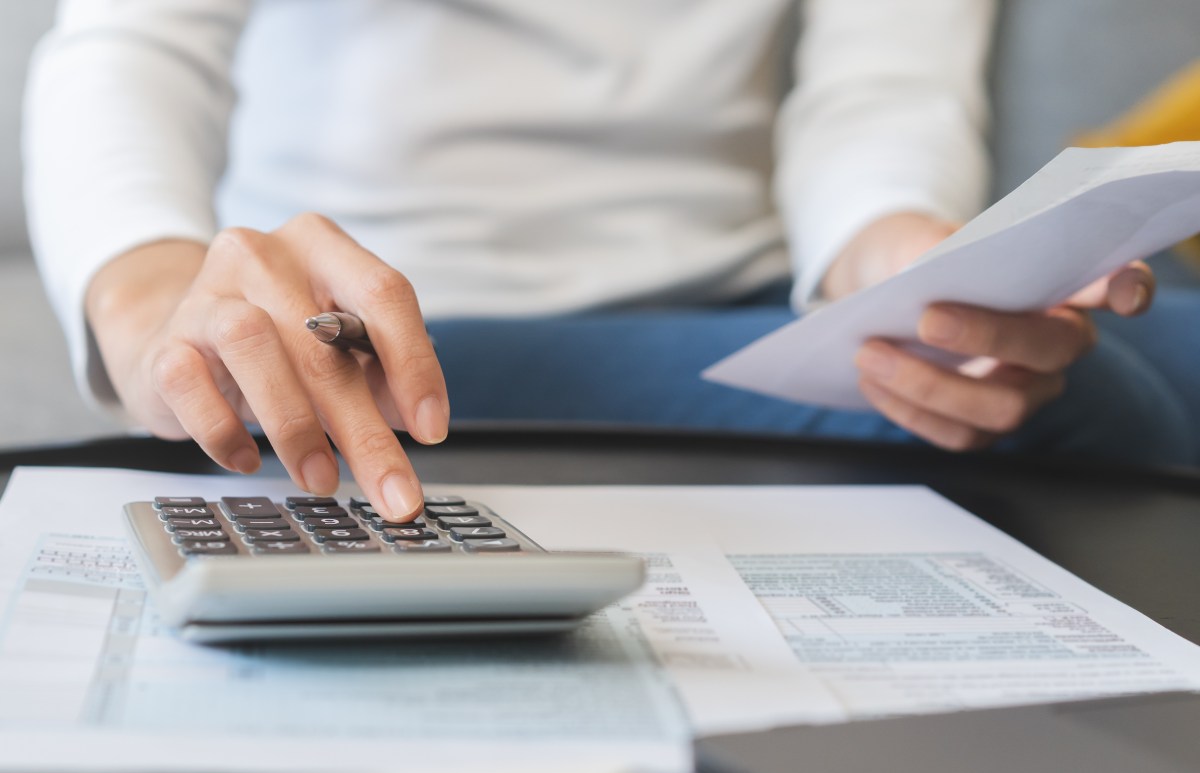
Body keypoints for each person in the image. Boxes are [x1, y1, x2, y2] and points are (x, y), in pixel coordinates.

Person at [23, 0, 1189, 523]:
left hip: (732, 308)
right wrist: (152, 307)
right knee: (1092, 399)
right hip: (394, 336)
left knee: (1139, 344)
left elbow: (877, 94)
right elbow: (132, 46)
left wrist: (903, 261)